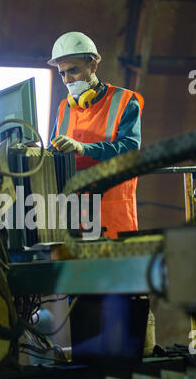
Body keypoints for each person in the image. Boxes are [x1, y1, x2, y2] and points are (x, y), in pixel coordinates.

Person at [48, 31, 144, 239]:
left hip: (111, 218)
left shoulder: (124, 101)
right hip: (71, 220)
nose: (66, 80)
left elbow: (129, 150)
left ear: (92, 66)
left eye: (73, 70)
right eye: (62, 73)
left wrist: (83, 148)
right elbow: (54, 152)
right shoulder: (64, 108)